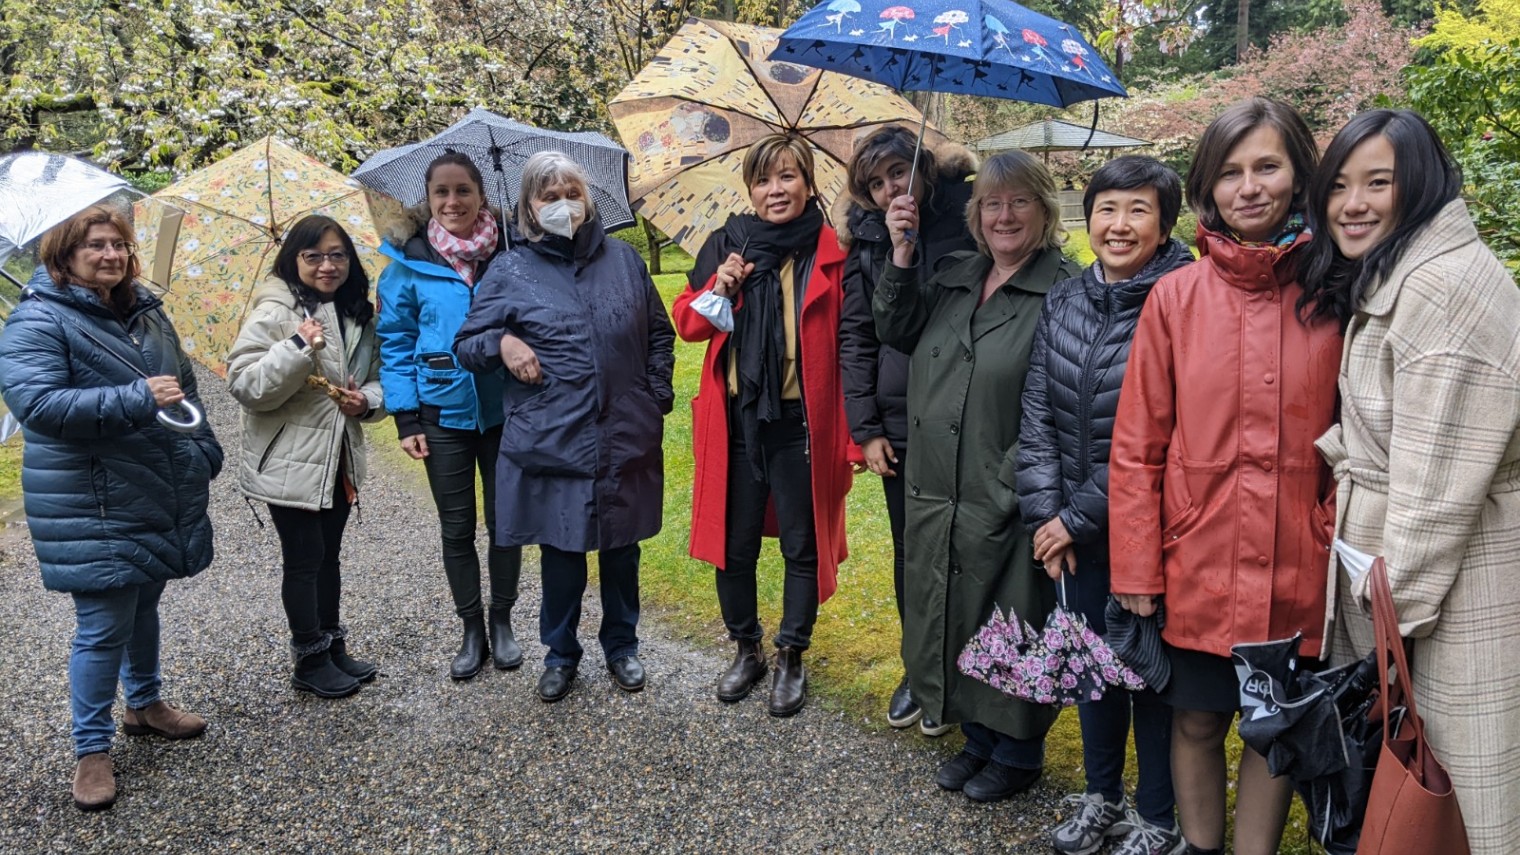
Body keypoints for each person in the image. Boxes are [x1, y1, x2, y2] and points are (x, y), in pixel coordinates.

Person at [1108, 98, 1341, 855]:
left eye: (1267, 166)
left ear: (1299, 173)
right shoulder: (1175, 298)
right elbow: (1138, 445)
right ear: (1209, 185)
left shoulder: (1336, 294)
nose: (1250, 187)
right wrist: (1137, 564)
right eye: (1231, 171)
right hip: (1197, 559)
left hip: (1297, 563)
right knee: (1199, 719)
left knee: (1273, 725)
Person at [1300, 109, 1520, 855]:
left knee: (1449, 791)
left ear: (1419, 185)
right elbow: (1397, 428)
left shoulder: (1443, 291)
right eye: (1338, 185)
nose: (1351, 203)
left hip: (1454, 590)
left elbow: (1436, 490)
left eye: (1378, 183)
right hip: (1414, 581)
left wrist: (1385, 638)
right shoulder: (1407, 274)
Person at [0, 205, 221, 811]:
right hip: (90, 497)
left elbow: (186, 387)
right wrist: (133, 397)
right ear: (63, 254)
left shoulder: (144, 312)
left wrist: (203, 446)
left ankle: (145, 704)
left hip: (153, 485)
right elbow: (39, 405)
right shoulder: (35, 324)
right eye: (96, 245)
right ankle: (90, 751)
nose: (112, 256)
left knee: (145, 597)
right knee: (102, 625)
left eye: (120, 245)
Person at [875, 150, 1081, 802]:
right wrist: (901, 252)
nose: (1004, 215)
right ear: (975, 213)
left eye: (1019, 201)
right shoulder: (956, 275)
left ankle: (1018, 750)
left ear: (1044, 211)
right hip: (939, 484)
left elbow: (1069, 405)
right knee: (957, 610)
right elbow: (895, 327)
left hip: (1010, 488)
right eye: (992, 203)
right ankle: (979, 737)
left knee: (1012, 614)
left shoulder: (1063, 290)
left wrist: (1008, 480)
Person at [1017, 156, 1194, 855]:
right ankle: (1101, 798)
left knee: (1146, 673)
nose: (1119, 225)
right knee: (1089, 667)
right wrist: (1045, 515)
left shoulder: (1182, 297)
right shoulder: (1066, 296)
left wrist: (1073, 517)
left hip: (1152, 529)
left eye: (1138, 210)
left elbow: (1162, 432)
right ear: (1085, 215)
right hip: (1072, 531)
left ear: (1165, 222)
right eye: (1107, 208)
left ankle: (1157, 815)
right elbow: (1036, 412)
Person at [454, 151, 674, 704]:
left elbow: (659, 336)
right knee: (563, 553)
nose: (563, 205)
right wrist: (502, 342)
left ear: (588, 198)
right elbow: (466, 345)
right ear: (529, 206)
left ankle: (622, 647)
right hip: (556, 436)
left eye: (571, 193)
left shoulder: (624, 260)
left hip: (624, 432)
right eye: (549, 196)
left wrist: (655, 399)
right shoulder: (510, 269)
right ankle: (560, 653)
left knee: (622, 551)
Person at [671, 133, 854, 718]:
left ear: (808, 183)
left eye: (788, 177)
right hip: (736, 418)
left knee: (803, 541)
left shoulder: (830, 249)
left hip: (802, 419)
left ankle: (792, 653)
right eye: (764, 179)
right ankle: (746, 647)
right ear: (749, 187)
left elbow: (854, 341)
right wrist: (717, 287)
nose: (775, 190)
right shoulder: (727, 244)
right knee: (734, 542)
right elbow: (689, 327)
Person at [837, 126, 977, 736]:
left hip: (971, 411)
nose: (892, 187)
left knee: (973, 547)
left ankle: (970, 671)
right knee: (911, 550)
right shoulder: (867, 241)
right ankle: (919, 667)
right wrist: (866, 429)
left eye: (899, 171)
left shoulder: (973, 213)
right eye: (876, 182)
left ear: (925, 166)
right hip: (902, 417)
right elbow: (857, 337)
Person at [376, 152, 522, 681]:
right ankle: (472, 628)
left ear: (482, 193)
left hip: (507, 411)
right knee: (457, 526)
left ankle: (503, 621)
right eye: (442, 192)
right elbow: (393, 344)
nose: (453, 202)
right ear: (428, 199)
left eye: (463, 190)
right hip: (442, 413)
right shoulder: (406, 266)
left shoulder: (511, 253)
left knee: (506, 523)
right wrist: (407, 419)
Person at [227, 215, 385, 700]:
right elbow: (246, 385)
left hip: (335, 458)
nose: (327, 265)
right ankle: (309, 659)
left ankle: (333, 645)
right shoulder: (274, 313)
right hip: (288, 461)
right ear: (293, 260)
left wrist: (368, 402)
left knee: (329, 558)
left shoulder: (356, 312)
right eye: (313, 256)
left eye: (337, 254)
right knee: (304, 560)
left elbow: (376, 379)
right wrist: (297, 345)